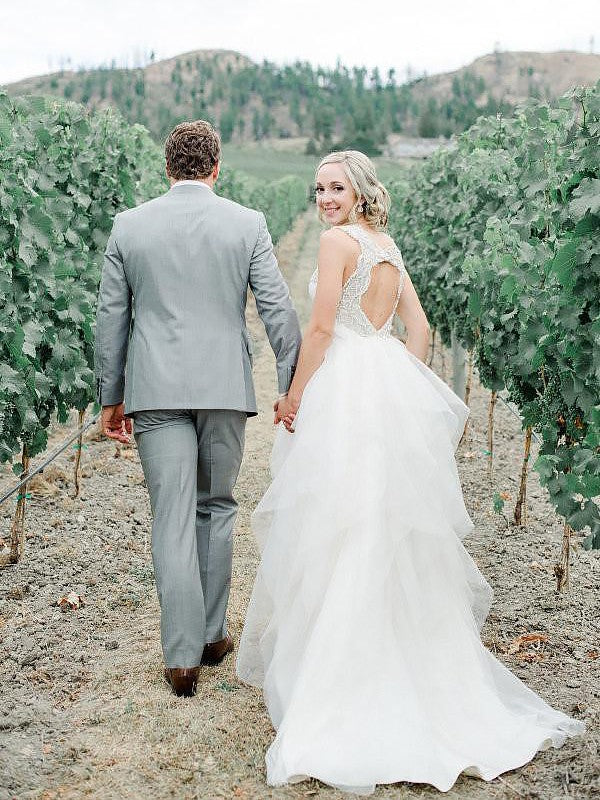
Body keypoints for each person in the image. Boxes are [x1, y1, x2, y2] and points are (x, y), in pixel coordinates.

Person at [236, 150, 585, 794]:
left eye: (335, 188)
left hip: (343, 386)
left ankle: (340, 684)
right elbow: (417, 327)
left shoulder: (340, 243)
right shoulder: (387, 246)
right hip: (383, 384)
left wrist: (295, 395)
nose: (323, 199)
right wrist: (406, 386)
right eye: (318, 189)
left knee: (339, 525)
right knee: (382, 525)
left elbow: (318, 329)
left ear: (361, 192)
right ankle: (403, 667)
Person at [93, 120, 302, 697]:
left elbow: (111, 320)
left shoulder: (129, 227)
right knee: (216, 506)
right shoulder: (247, 224)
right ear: (216, 167)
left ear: (167, 168)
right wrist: (292, 386)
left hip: (156, 390)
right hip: (224, 388)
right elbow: (279, 312)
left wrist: (111, 398)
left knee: (172, 516)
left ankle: (181, 657)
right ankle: (212, 636)